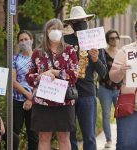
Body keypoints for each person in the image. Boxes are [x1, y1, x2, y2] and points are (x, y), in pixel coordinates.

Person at [26, 18, 78, 150]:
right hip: (43, 101)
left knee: (64, 137)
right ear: (46, 31)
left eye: (58, 29)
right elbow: (29, 76)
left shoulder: (70, 50)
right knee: (43, 137)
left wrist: (55, 72)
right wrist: (41, 76)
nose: (55, 31)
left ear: (62, 32)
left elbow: (75, 75)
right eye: (52, 28)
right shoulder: (37, 53)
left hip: (64, 101)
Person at [64, 6, 107, 150]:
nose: (80, 23)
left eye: (82, 20)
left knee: (89, 135)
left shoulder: (95, 41)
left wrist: (95, 59)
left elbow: (103, 72)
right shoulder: (65, 41)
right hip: (67, 93)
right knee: (70, 134)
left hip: (87, 93)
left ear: (87, 21)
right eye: (76, 21)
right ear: (71, 24)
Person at [109, 21, 137, 150]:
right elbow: (113, 77)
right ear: (136, 32)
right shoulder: (125, 51)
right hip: (130, 106)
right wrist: (120, 71)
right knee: (127, 145)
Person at [13, 30, 38, 150]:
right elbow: (13, 81)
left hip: (35, 101)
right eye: (21, 40)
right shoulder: (15, 59)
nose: (23, 42)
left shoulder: (38, 58)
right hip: (17, 100)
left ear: (31, 40)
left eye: (26, 39)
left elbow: (42, 80)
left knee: (33, 135)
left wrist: (32, 98)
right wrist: (28, 95)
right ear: (18, 44)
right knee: (14, 133)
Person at [98, 30, 122, 148]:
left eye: (116, 37)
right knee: (106, 114)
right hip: (104, 88)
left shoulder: (122, 53)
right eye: (112, 38)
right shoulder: (103, 53)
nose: (115, 40)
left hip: (119, 88)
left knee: (120, 114)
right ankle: (108, 140)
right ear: (107, 40)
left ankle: (121, 138)